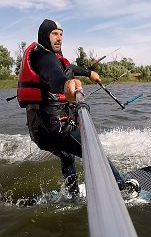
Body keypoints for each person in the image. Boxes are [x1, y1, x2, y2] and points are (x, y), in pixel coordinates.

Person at [17, 19, 104, 198]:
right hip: (54, 127)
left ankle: (72, 194)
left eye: (61, 34)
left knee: (67, 156)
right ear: (44, 35)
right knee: (93, 151)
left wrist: (89, 73)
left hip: (39, 129)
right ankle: (121, 187)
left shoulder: (48, 56)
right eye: (54, 34)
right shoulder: (44, 57)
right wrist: (66, 85)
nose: (59, 38)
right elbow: (55, 76)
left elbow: (68, 67)